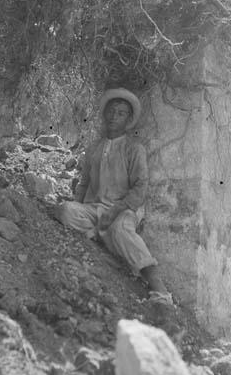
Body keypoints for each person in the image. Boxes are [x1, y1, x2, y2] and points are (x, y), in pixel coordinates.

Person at [55, 87, 172, 304]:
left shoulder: (134, 149)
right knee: (65, 211)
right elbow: (84, 183)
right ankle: (101, 235)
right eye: (111, 111)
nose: (114, 117)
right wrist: (77, 204)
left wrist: (116, 209)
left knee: (119, 230)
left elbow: (140, 187)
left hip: (125, 210)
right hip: (94, 208)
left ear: (128, 121)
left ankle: (160, 291)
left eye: (121, 113)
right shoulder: (94, 149)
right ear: (105, 114)